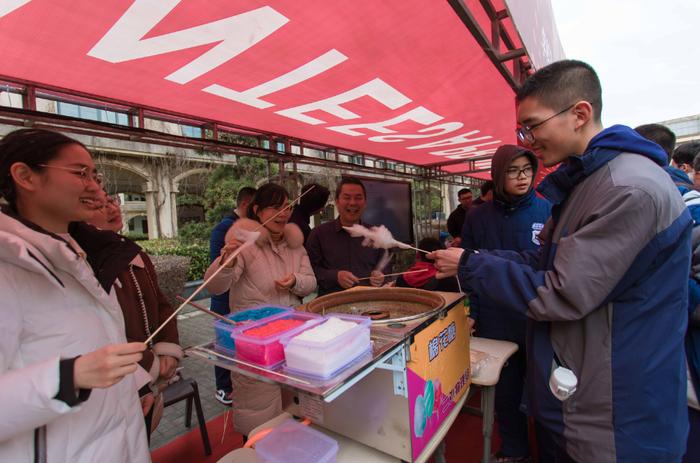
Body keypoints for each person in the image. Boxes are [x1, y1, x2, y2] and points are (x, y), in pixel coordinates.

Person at [430, 60, 691, 462]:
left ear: (580, 114)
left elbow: (561, 290)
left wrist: (472, 265)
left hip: (617, 409)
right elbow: (543, 259)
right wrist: (471, 258)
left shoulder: (628, 189)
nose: (527, 139)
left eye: (532, 126)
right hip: (586, 393)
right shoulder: (590, 183)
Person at [0, 128, 149, 462]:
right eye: (80, 173)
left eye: (95, 175)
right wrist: (69, 377)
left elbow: (92, 341)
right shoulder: (7, 267)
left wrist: (136, 383)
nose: (95, 186)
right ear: (25, 176)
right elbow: (77, 366)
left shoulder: (75, 253)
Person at [461, 145, 551, 463]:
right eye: (513, 171)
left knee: (543, 390)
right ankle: (514, 450)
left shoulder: (547, 211)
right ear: (498, 175)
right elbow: (466, 266)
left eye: (527, 169)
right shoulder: (477, 216)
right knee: (506, 390)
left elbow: (547, 265)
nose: (522, 177)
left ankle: (547, 450)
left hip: (537, 314)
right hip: (496, 319)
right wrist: (472, 311)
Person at [204, 183, 316, 435]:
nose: (284, 213)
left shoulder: (296, 246)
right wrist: (226, 262)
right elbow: (215, 286)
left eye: (287, 206)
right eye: (275, 207)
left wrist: (296, 281)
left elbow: (311, 282)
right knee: (261, 419)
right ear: (257, 210)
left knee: (295, 416)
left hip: (292, 342)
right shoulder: (244, 244)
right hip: (254, 347)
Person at [88, 189, 183, 439]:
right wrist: (150, 363)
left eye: (112, 200)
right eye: (100, 206)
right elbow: (103, 331)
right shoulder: (85, 264)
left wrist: (167, 350)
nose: (112, 208)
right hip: (118, 381)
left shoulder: (134, 253)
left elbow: (161, 304)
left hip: (148, 379)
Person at [209, 186, 256, 405]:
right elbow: (218, 268)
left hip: (240, 297)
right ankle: (223, 388)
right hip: (224, 299)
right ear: (247, 205)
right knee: (225, 344)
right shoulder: (225, 228)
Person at [306, 176, 387, 296]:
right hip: (332, 306)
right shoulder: (318, 234)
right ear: (337, 201)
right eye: (347, 197)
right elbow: (310, 271)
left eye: (358, 198)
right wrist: (335, 276)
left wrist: (381, 275)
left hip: (370, 303)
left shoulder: (376, 234)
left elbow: (387, 265)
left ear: (365, 202)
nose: (353, 203)